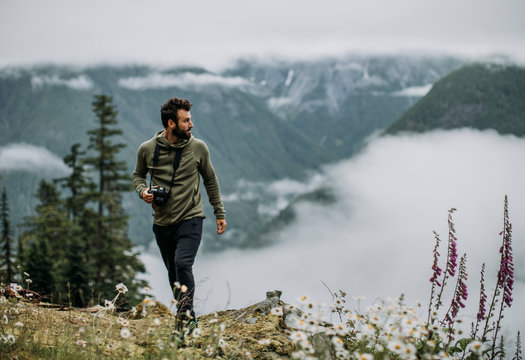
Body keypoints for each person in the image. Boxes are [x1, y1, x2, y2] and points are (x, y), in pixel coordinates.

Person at [132, 97, 226, 331]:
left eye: (190, 119)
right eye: (186, 121)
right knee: (173, 273)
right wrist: (143, 191)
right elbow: (137, 175)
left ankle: (186, 318)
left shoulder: (198, 148)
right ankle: (184, 314)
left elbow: (210, 179)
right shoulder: (147, 149)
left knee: (182, 264)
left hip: (191, 218)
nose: (191, 124)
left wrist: (219, 211)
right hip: (162, 222)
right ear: (171, 123)